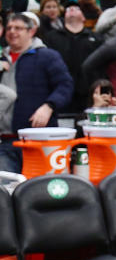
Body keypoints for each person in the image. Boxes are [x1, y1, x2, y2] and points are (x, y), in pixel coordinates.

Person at [0, 13, 74, 172]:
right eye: (9, 28)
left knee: (40, 190)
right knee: (5, 191)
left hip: (39, 140)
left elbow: (65, 85)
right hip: (4, 143)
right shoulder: (1, 58)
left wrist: (49, 106)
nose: (12, 31)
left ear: (31, 31)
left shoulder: (47, 56)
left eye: (18, 28)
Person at [46, 2, 103, 113]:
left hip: (88, 93)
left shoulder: (96, 38)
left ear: (83, 17)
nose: (71, 9)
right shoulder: (51, 37)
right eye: (68, 9)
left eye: (76, 9)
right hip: (59, 92)